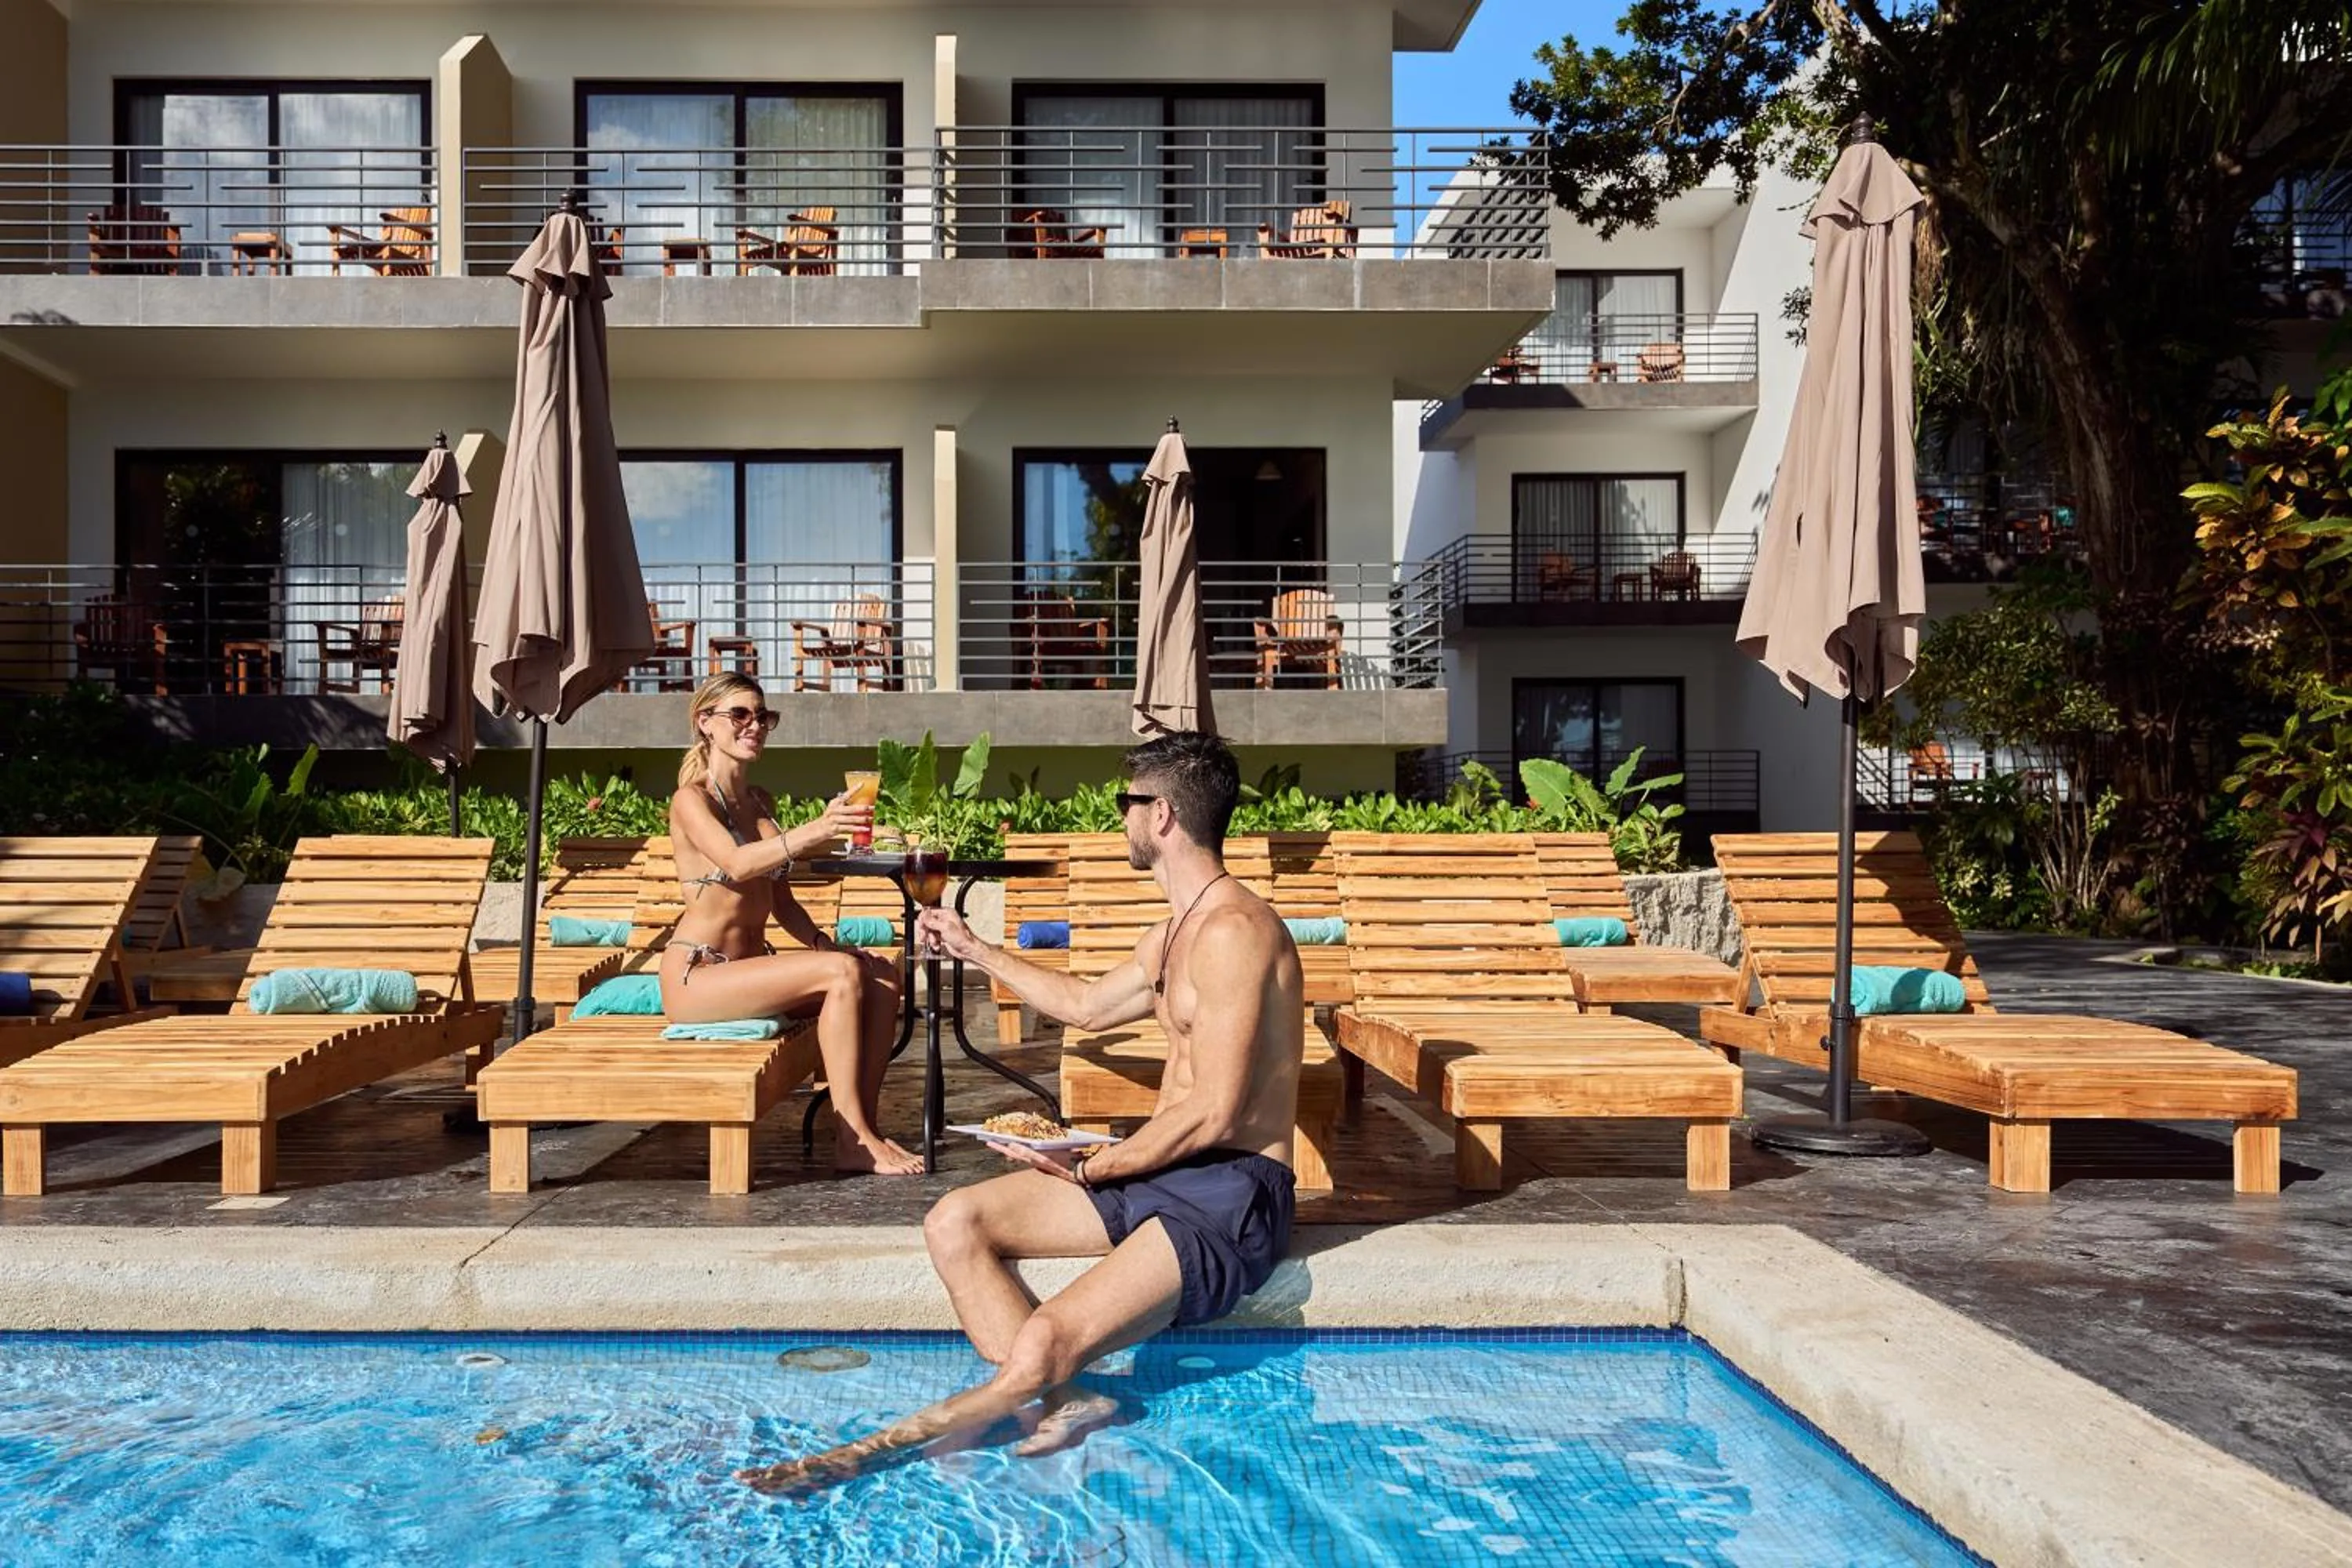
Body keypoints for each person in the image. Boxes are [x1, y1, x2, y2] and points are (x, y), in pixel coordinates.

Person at [737, 731, 1305, 1493]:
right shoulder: (1175, 930)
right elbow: (1085, 1005)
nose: (1120, 819)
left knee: (1043, 1339)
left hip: (1227, 1190)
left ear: (1162, 815)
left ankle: (853, 1460)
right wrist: (975, 948)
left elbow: (1213, 1111)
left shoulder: (1237, 930)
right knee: (956, 1220)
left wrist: (1092, 1163)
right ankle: (1070, 1402)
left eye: (1125, 805)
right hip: (1162, 1167)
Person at [663, 670, 920, 1176]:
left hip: (750, 970)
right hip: (699, 976)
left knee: (881, 974)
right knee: (840, 976)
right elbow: (736, 865)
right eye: (740, 714)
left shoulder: (760, 803)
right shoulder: (691, 801)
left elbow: (781, 901)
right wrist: (817, 830)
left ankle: (862, 1127)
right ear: (705, 723)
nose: (754, 725)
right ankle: (853, 1139)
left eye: (763, 716)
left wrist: (826, 943)